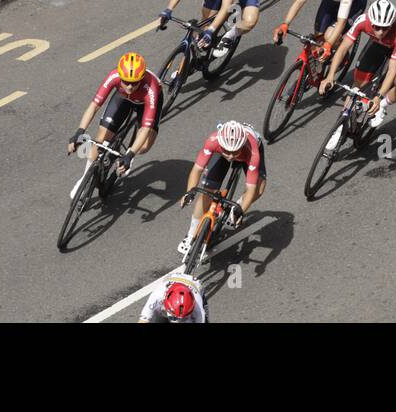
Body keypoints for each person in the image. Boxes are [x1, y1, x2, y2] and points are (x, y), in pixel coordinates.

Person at [66, 52, 163, 193]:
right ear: (120, 76)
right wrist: (80, 131)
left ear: (141, 79)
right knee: (100, 139)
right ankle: (84, 180)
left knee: (144, 146)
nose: (130, 86)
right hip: (122, 98)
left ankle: (130, 150)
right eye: (126, 82)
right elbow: (94, 106)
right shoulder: (114, 76)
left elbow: (146, 128)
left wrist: (130, 154)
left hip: (146, 103)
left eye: (134, 83)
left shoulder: (151, 89)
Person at [177, 120, 267, 264]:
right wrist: (189, 192)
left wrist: (241, 209)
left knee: (260, 189)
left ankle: (233, 207)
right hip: (222, 151)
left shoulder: (252, 152)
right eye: (227, 151)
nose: (231, 156)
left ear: (242, 145)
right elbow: (197, 170)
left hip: (248, 154)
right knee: (206, 191)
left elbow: (251, 189)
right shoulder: (213, 141)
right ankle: (191, 234)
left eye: (234, 152)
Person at [319, 0, 396, 130]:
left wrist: (379, 97)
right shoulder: (363, 21)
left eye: (385, 28)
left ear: (391, 24)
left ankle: (382, 106)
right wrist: (330, 76)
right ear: (371, 21)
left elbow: (392, 70)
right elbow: (342, 49)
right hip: (378, 44)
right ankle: (341, 124)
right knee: (358, 84)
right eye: (376, 27)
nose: (381, 32)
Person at [274, 0, 368, 73]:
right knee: (318, 36)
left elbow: (341, 22)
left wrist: (329, 44)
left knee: (329, 36)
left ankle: (342, 55)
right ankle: (319, 69)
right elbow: (299, 2)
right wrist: (285, 24)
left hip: (356, 1)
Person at [140, 271, 208, 323]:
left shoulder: (198, 306)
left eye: (183, 318)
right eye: (174, 318)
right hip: (173, 278)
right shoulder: (157, 296)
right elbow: (143, 320)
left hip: (196, 286)